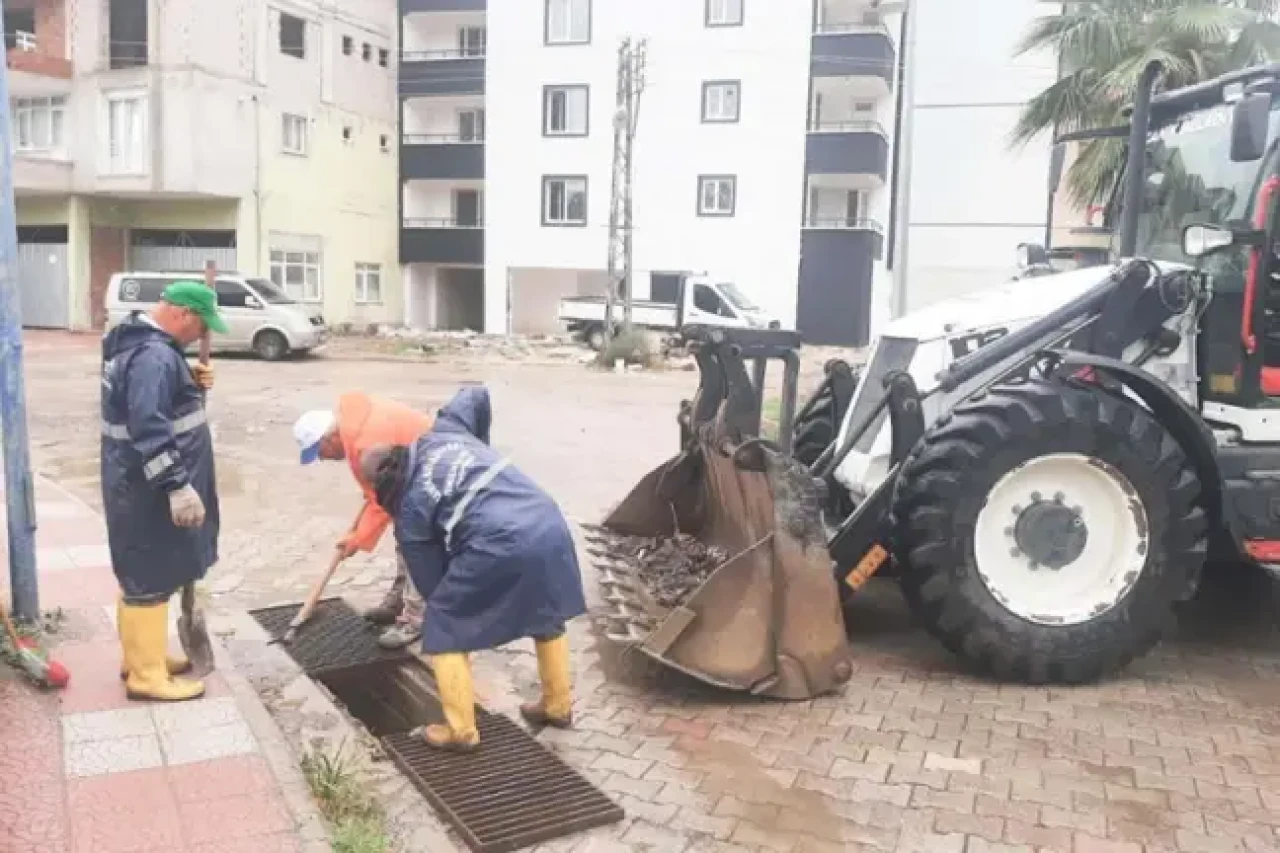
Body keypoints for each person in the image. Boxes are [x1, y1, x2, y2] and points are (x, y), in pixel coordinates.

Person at [360, 385, 587, 752]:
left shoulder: (411, 514)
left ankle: (460, 730)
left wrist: (464, 631)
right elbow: (476, 394)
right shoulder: (445, 433)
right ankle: (557, 706)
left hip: (499, 538)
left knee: (444, 622)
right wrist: (478, 446)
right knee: (544, 612)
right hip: (547, 520)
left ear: (379, 487)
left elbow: (435, 589)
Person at [101, 280, 224, 702]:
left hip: (133, 482)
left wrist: (187, 379)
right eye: (202, 326)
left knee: (141, 572)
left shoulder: (141, 345)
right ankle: (146, 675)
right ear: (183, 314)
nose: (202, 335)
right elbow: (149, 425)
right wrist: (175, 484)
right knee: (149, 576)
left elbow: (151, 404)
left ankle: (139, 658)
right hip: (147, 487)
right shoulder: (153, 355)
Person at [292, 393, 433, 649]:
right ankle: (399, 601)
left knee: (416, 544)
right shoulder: (353, 429)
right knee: (404, 535)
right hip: (411, 477)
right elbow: (376, 494)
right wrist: (356, 535)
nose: (322, 458)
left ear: (328, 437)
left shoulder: (366, 442)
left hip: (431, 474)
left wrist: (357, 540)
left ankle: (414, 620)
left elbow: (382, 502)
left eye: (319, 451)